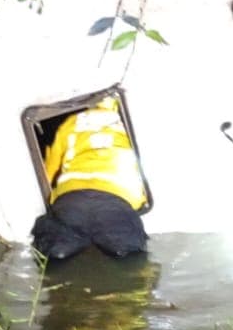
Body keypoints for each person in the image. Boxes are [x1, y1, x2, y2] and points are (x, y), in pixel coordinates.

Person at [30, 95, 149, 262]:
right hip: (117, 202)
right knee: (128, 255)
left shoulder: (71, 123)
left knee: (55, 253)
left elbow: (48, 172)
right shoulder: (133, 123)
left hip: (70, 200)